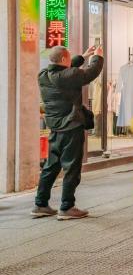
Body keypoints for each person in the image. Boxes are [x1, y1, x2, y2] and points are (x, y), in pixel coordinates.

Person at [33, 45, 105, 220]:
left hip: (55, 128)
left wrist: (82, 56)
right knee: (72, 168)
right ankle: (67, 207)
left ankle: (40, 204)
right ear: (65, 60)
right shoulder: (70, 76)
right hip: (71, 127)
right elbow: (90, 72)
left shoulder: (43, 75)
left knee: (51, 167)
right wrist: (97, 57)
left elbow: (63, 70)